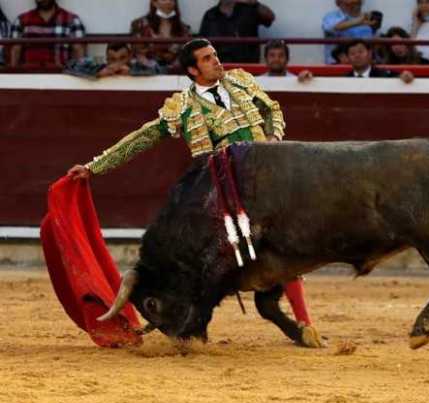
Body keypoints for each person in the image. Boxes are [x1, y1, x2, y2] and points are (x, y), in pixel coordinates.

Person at [67, 38, 312, 328]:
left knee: (285, 246)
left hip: (267, 182)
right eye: (207, 58)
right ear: (193, 70)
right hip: (222, 192)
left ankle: (304, 322)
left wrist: (273, 139)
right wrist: (95, 167)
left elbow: (272, 110)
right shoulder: (182, 106)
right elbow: (142, 137)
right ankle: (180, 315)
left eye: (215, 55)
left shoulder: (241, 81)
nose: (217, 61)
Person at [10, 0, 85, 67]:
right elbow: (15, 51)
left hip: (61, 75)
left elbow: (78, 50)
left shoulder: (71, 20)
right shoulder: (22, 20)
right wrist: (13, 77)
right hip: (30, 75)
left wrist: (79, 74)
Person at [199, 0, 275, 63]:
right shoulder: (210, 15)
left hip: (247, 69)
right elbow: (202, 44)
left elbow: (270, 17)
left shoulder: (248, 10)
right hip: (219, 70)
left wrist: (253, 2)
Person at [130, 0, 191, 67]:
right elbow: (138, 52)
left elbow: (185, 54)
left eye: (172, 0)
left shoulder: (183, 28)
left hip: (175, 73)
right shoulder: (140, 25)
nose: (169, 2)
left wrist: (171, 69)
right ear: (154, 3)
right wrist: (151, 67)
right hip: (147, 72)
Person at [322, 0, 381, 64]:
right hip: (338, 65)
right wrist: (359, 21)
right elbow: (333, 28)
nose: (354, 2)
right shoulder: (331, 17)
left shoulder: (367, 18)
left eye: (357, 2)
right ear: (338, 3)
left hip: (364, 65)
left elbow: (371, 43)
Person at [64, 43, 165, 79]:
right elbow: (70, 67)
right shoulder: (100, 62)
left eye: (122, 58)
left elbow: (160, 70)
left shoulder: (137, 64)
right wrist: (97, 74)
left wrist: (133, 72)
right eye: (112, 59)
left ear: (130, 57)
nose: (117, 64)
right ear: (107, 58)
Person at [345, 39, 415, 83]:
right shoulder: (344, 79)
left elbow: (401, 76)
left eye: (360, 52)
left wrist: (405, 75)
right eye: (352, 53)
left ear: (370, 54)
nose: (357, 56)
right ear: (348, 58)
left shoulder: (384, 75)